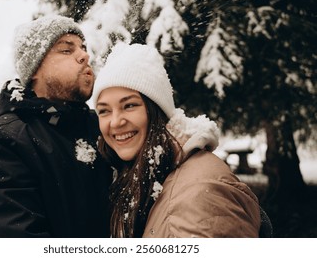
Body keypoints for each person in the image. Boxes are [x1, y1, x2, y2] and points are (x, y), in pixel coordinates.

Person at [92, 43, 271, 238]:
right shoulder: (138, 177)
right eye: (104, 111)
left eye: (129, 105)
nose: (116, 122)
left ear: (156, 111)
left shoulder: (200, 193)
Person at [0, 15, 111, 237]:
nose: (85, 56)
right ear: (34, 68)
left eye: (83, 48)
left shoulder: (105, 127)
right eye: (67, 50)